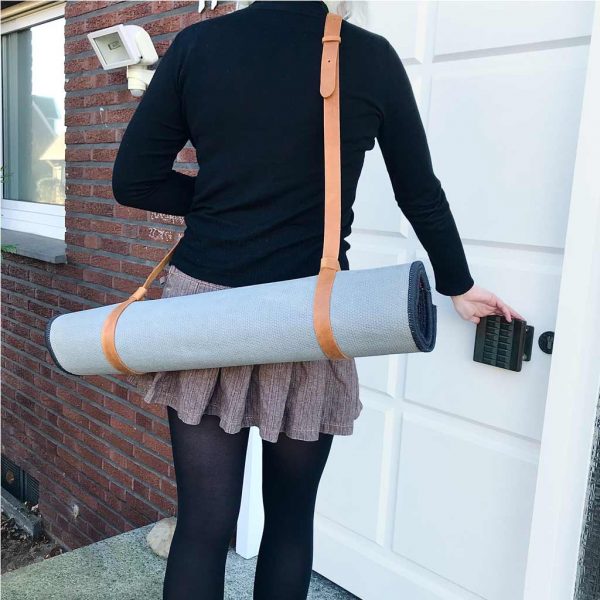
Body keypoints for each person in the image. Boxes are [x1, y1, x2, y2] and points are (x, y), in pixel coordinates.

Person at [111, 2, 523, 599]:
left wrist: (224, 202)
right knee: (289, 519)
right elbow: (418, 190)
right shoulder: (370, 56)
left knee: (202, 523)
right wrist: (457, 283)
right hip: (308, 312)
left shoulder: (198, 46)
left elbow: (133, 180)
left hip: (202, 311)